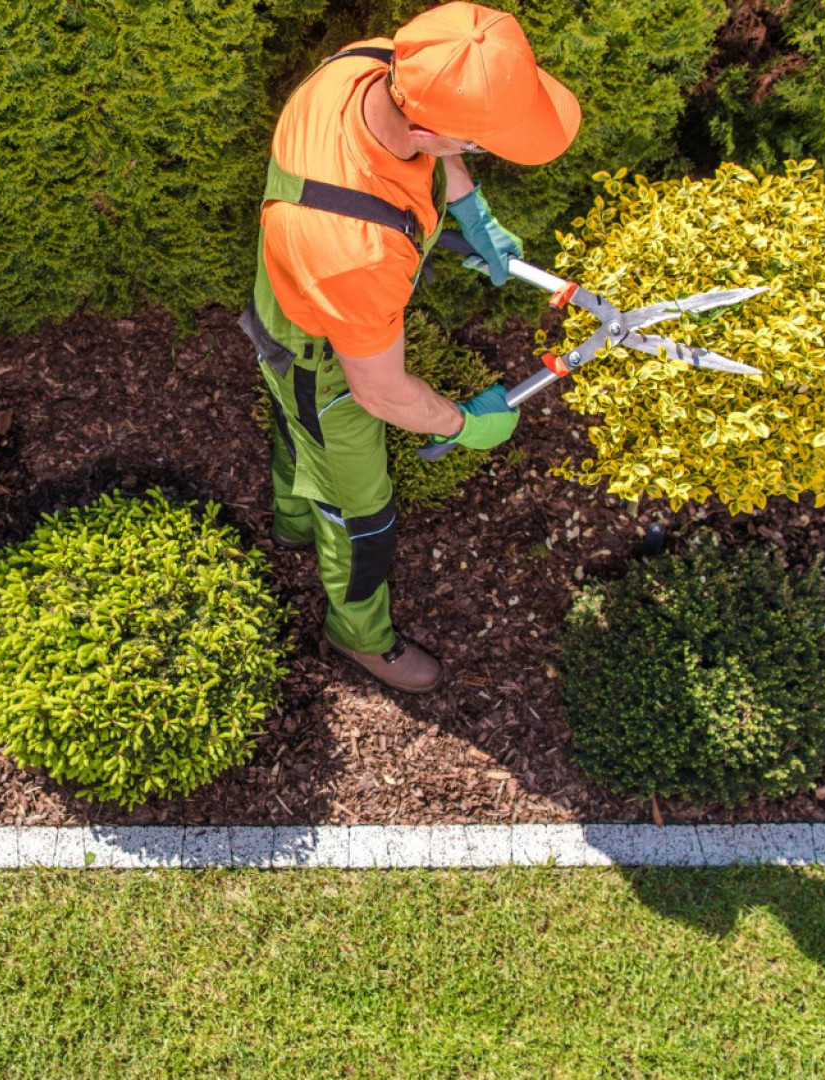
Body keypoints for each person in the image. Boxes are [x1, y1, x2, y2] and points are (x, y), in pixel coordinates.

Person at [241, 2, 579, 693]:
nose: (474, 156)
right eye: (479, 144)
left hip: (286, 296)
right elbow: (381, 393)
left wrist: (469, 207)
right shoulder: (356, 254)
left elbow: (434, 139)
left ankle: (290, 520)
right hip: (322, 359)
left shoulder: (369, 65)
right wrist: (466, 421)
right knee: (361, 512)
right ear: (428, 127)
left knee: (292, 428)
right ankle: (358, 634)